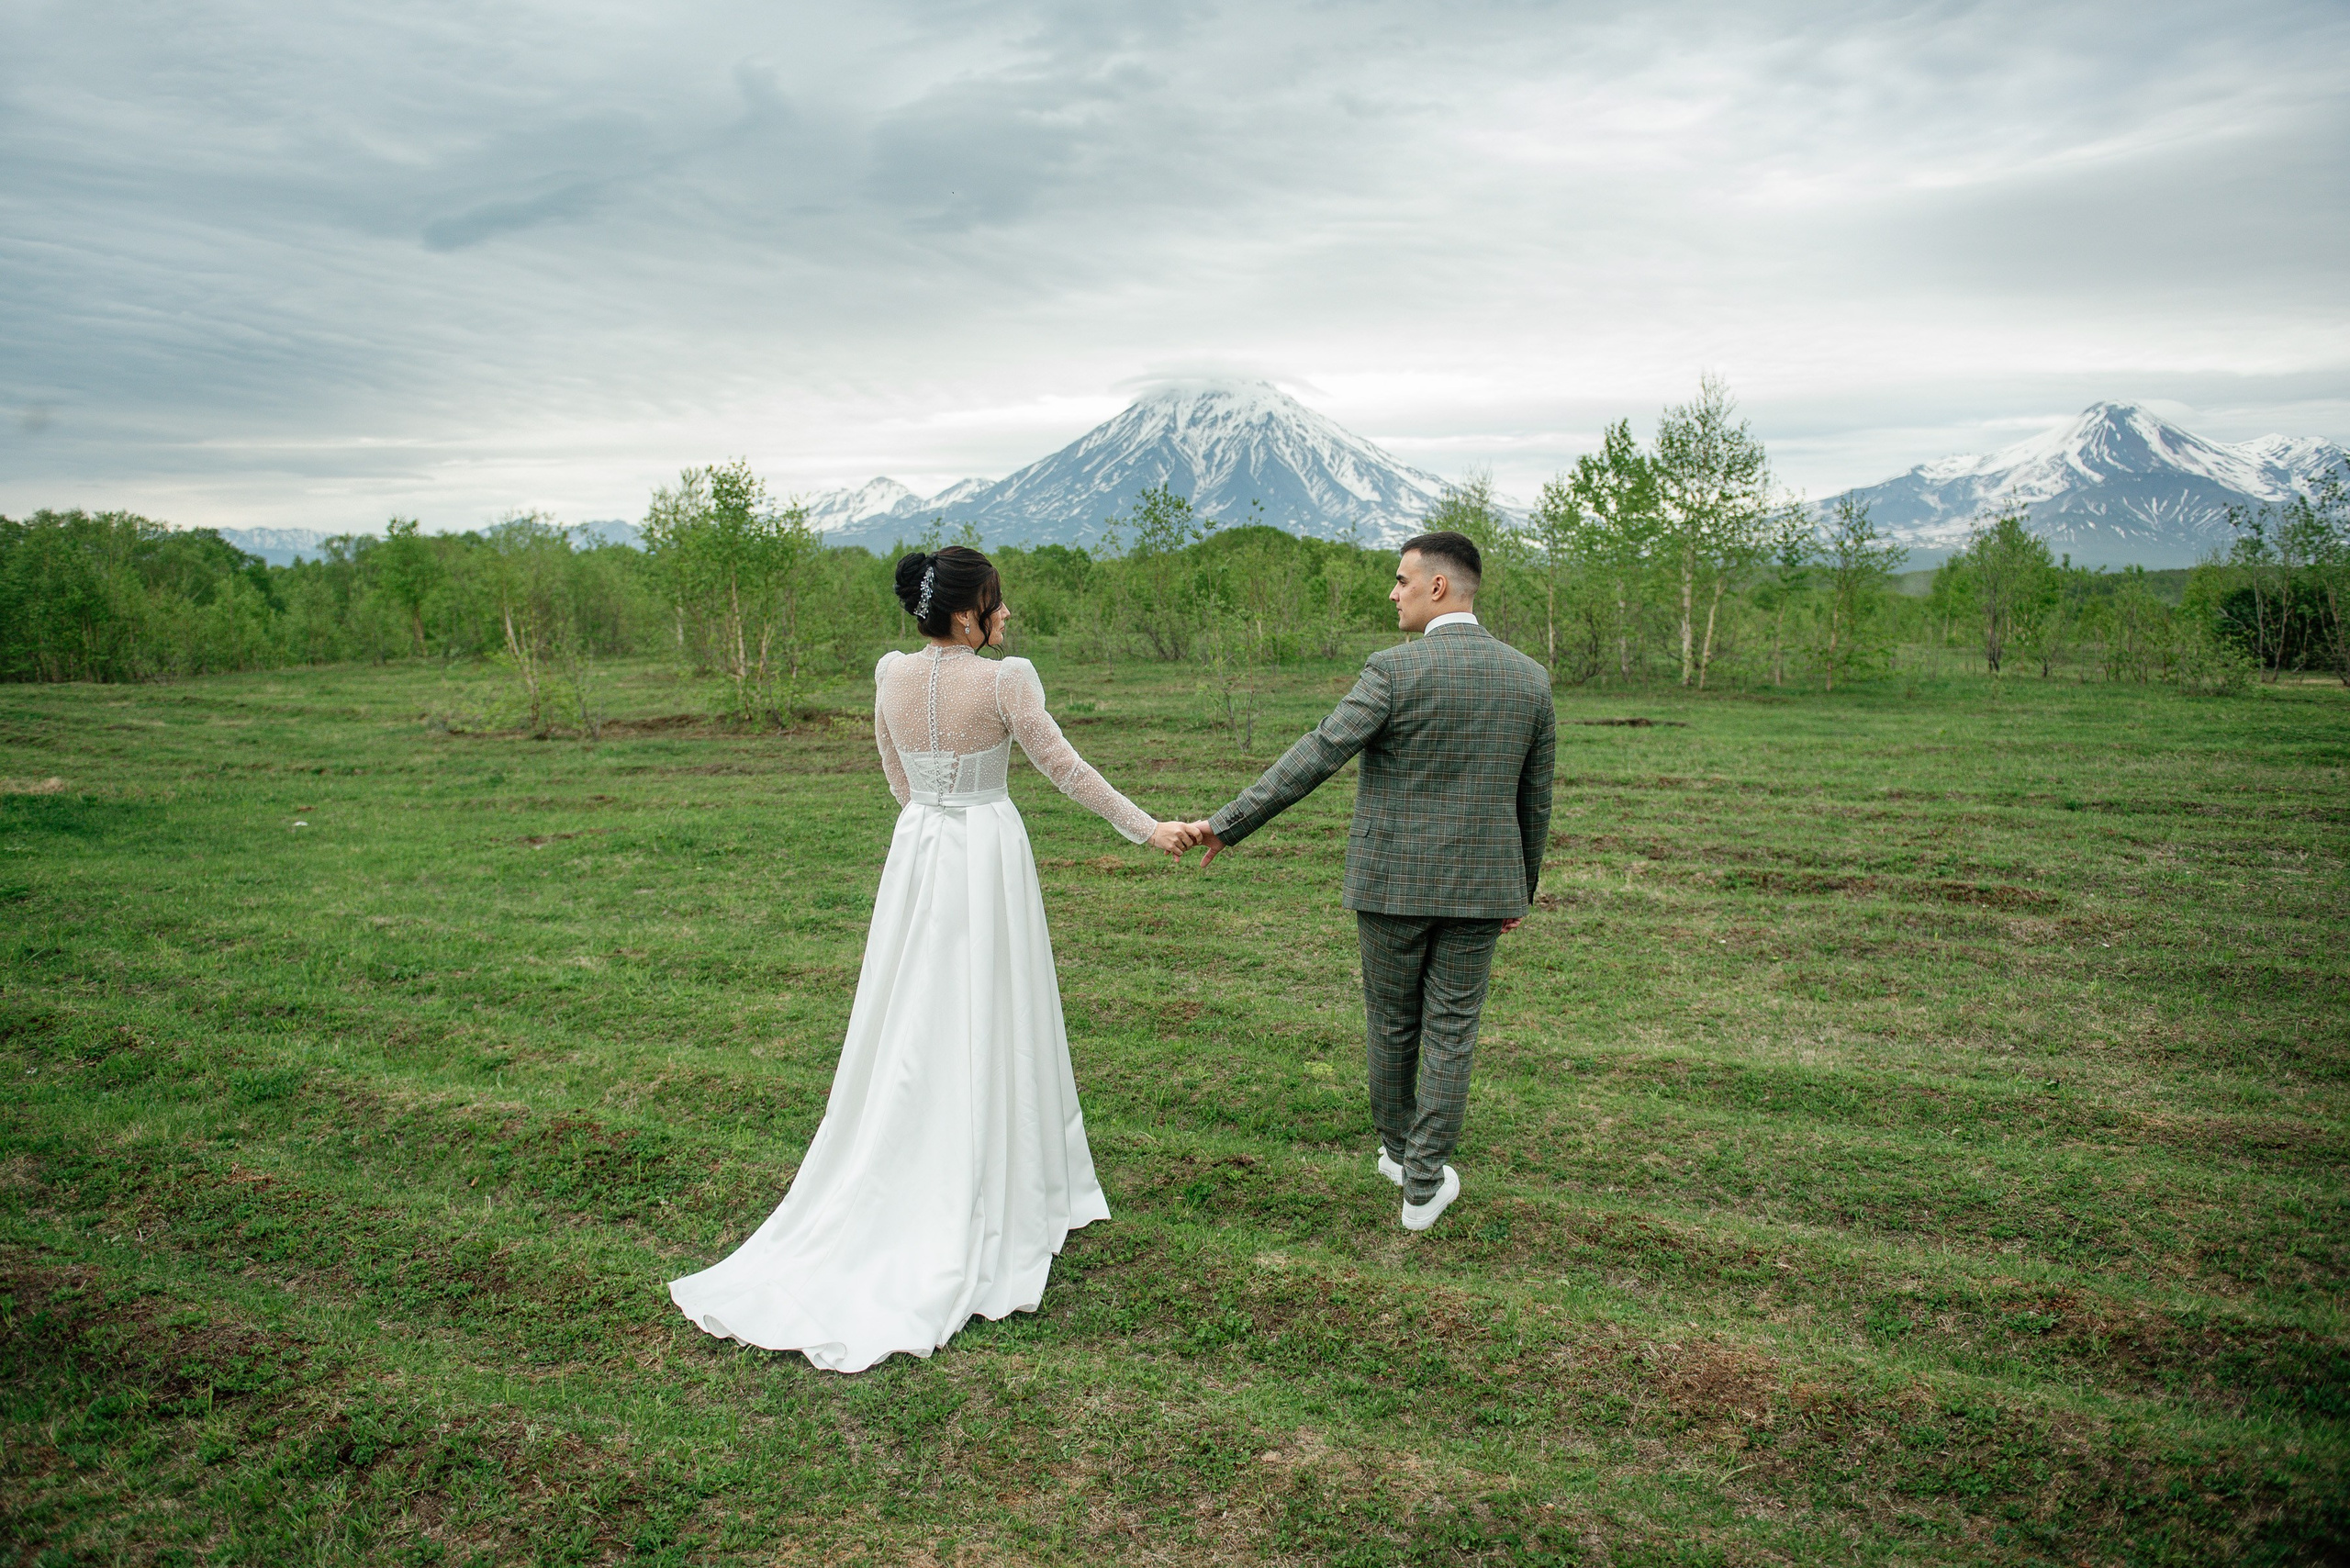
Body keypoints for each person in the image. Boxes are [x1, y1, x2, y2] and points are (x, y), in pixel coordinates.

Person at [669, 546, 1195, 1372]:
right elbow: (1065, 770)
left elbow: (897, 781)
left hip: (919, 850)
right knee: (992, 1000)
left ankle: (916, 1137)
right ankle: (991, 1168)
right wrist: (1148, 826)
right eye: (997, 601)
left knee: (912, 1003)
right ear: (965, 615)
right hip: (984, 848)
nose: (1008, 613)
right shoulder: (1007, 679)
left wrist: (935, 818)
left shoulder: (889, 675)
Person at [1185, 531, 1554, 1231]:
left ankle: (1398, 1152)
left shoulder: (1392, 672)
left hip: (1391, 884)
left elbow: (1319, 753)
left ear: (1437, 587)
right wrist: (1521, 889)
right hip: (1484, 887)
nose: (1393, 592)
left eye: (1401, 580)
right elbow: (1535, 799)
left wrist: (1229, 824)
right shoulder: (1529, 678)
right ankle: (1422, 1183)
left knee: (1391, 1021)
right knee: (1452, 1029)